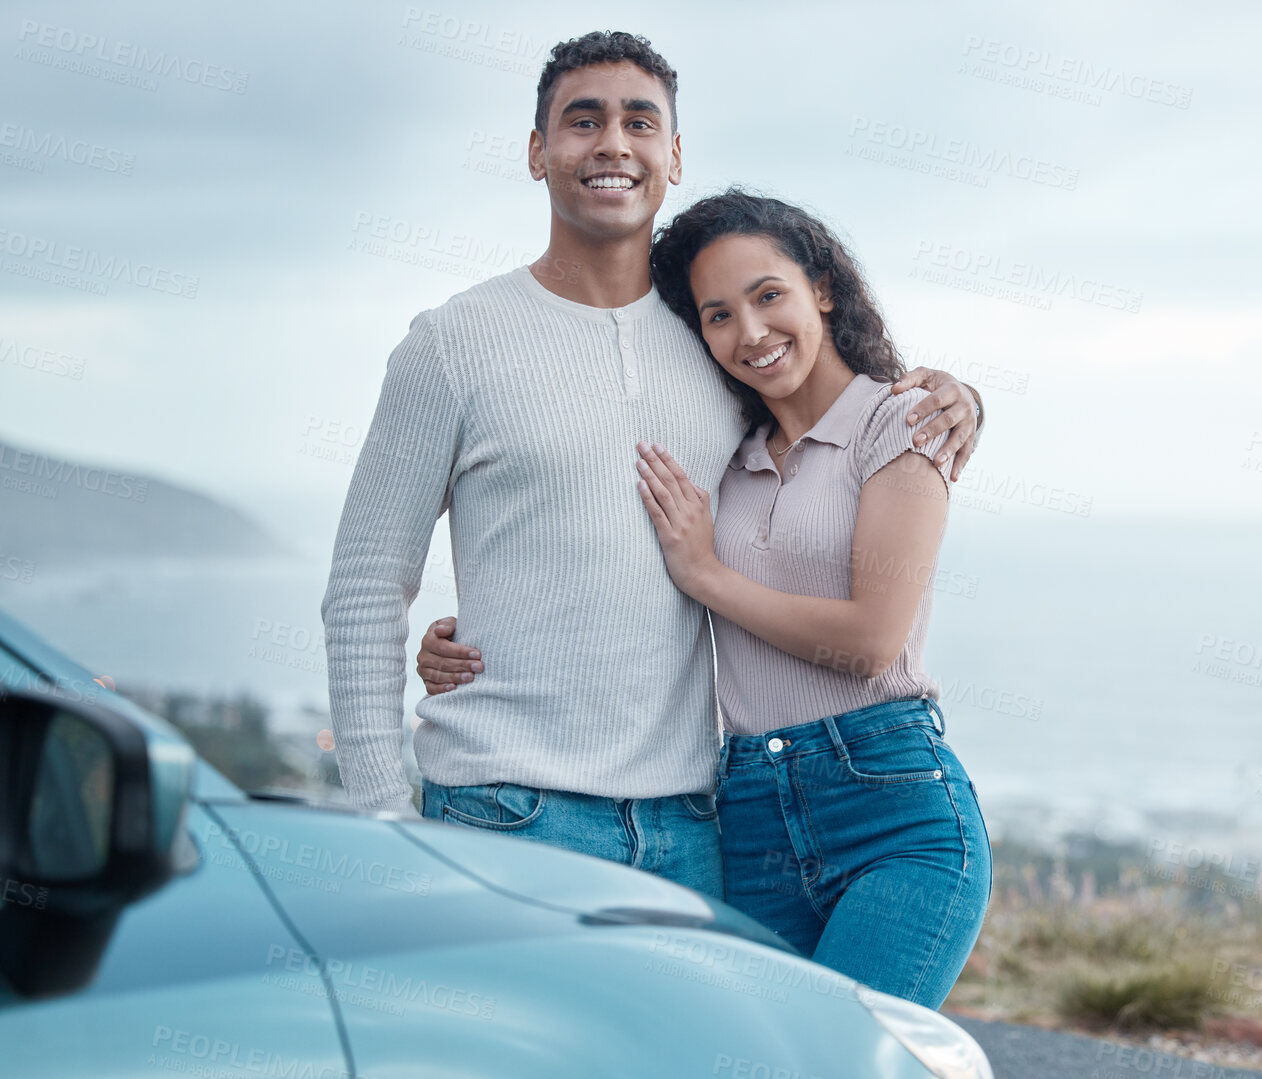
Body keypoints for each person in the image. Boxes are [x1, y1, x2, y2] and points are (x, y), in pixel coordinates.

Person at [320, 31, 984, 903]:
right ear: (536, 152)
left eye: (640, 122)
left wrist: (963, 397)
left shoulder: (716, 343)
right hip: (504, 812)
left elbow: (822, 432)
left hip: (695, 830)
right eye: (582, 121)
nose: (612, 144)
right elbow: (367, 585)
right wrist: (379, 817)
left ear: (673, 156)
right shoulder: (451, 344)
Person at [415, 188, 990, 1008]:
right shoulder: (725, 447)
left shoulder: (902, 420)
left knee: (844, 1059)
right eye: (719, 315)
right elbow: (599, 554)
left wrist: (709, 575)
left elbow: (871, 639)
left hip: (889, 801)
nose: (751, 333)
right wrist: (468, 640)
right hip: (748, 810)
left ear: (821, 287)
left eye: (768, 296)